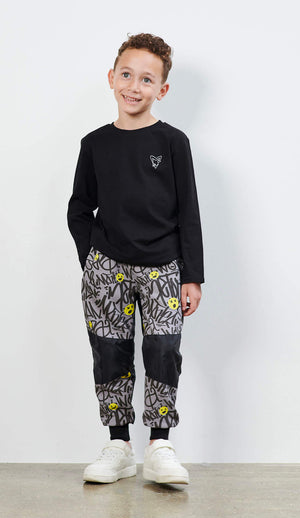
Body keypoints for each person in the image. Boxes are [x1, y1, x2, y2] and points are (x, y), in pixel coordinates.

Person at [67, 33, 204, 485]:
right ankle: (119, 445)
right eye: (126, 74)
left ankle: (160, 445)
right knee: (110, 352)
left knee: (163, 350)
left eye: (147, 79)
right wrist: (92, 259)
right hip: (106, 269)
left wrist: (192, 276)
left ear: (162, 89)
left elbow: (188, 212)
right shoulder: (94, 144)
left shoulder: (173, 142)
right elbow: (79, 208)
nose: (134, 86)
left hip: (164, 267)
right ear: (111, 77)